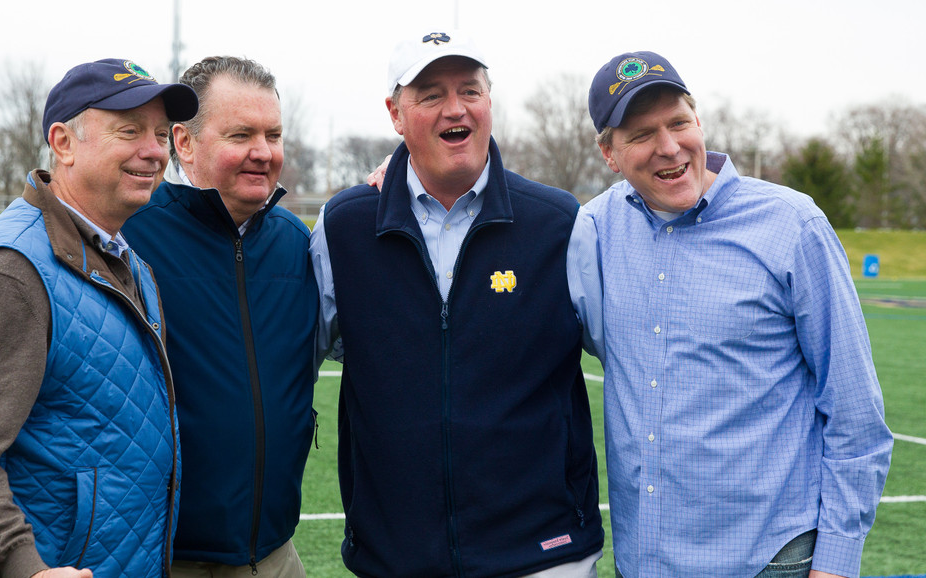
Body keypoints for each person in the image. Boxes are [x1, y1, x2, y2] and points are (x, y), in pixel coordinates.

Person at [583, 51, 893, 578]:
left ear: (698, 119)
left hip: (770, 562)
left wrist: (837, 563)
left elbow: (855, 413)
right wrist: (402, 175)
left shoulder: (793, 226)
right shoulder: (593, 232)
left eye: (678, 122)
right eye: (639, 134)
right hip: (644, 563)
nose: (668, 146)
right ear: (609, 152)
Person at [309, 30, 605, 577]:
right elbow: (293, 368)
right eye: (430, 94)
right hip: (394, 560)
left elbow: (636, 363)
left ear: (489, 102)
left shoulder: (561, 224)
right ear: (395, 114)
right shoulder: (343, 228)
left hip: (544, 557)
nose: (456, 108)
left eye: (470, 89)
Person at [0, 59, 198, 578]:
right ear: (63, 143)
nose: (155, 150)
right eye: (129, 130)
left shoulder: (126, 257)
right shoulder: (10, 271)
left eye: (161, 133)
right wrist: (24, 568)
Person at [121, 56, 318, 577]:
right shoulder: (129, 240)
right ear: (183, 143)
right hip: (164, 558)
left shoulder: (300, 246)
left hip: (274, 553)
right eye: (241, 135)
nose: (262, 153)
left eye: (273, 135)